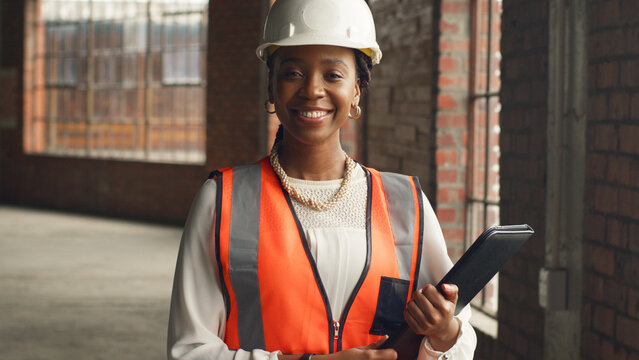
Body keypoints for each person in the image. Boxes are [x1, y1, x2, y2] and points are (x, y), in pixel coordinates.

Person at [167, 0, 477, 359]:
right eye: (293, 73)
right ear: (270, 87)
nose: (312, 90)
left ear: (357, 90)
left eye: (333, 75)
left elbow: (458, 339)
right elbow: (189, 351)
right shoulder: (224, 200)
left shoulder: (406, 204)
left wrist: (443, 333)